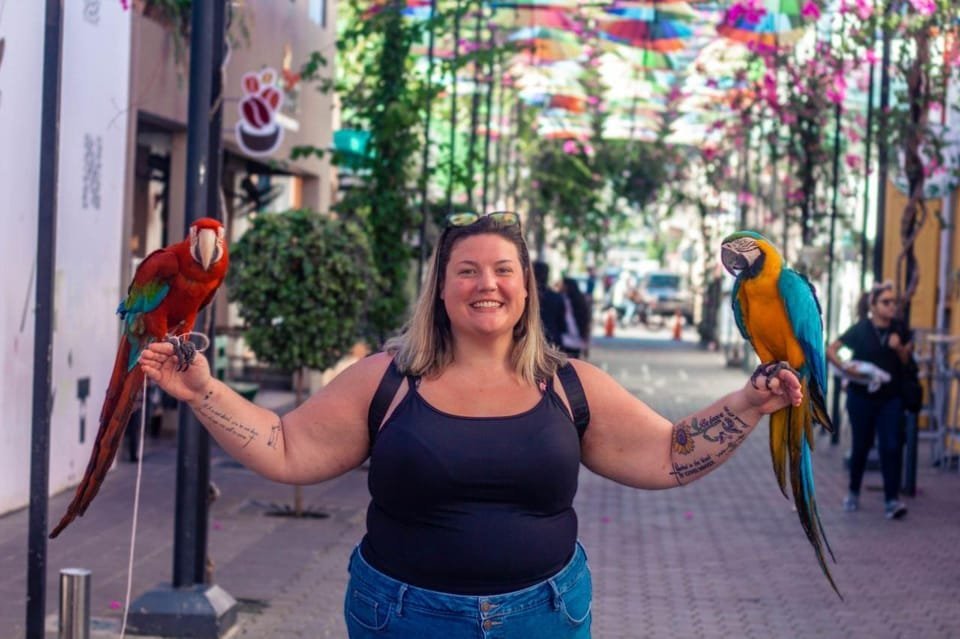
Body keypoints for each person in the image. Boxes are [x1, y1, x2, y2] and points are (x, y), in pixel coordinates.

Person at [140, 211, 802, 638]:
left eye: (503, 270)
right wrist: (203, 391)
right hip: (402, 618)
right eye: (467, 271)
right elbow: (286, 448)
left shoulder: (570, 384)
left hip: (545, 617)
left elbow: (667, 453)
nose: (487, 284)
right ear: (441, 288)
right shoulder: (386, 379)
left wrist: (746, 404)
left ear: (525, 288)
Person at [826, 280, 911, 520]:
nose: (892, 306)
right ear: (873, 305)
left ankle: (892, 500)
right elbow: (831, 349)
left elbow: (907, 361)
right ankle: (853, 492)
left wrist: (899, 348)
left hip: (890, 398)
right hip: (861, 397)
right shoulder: (861, 329)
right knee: (861, 446)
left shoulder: (899, 329)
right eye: (886, 302)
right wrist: (845, 368)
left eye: (894, 302)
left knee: (891, 446)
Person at [533, 260, 567, 349]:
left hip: (531, 339)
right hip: (552, 339)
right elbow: (562, 323)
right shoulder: (557, 297)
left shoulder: (526, 296)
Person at [559, 277, 591, 359]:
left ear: (566, 286)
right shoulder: (581, 300)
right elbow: (586, 321)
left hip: (565, 338)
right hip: (577, 339)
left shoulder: (561, 299)